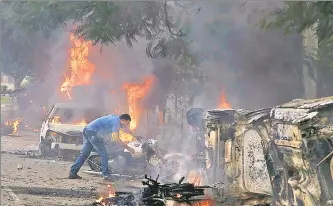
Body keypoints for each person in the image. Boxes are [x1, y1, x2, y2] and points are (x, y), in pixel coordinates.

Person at [68, 113, 135, 180]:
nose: (127, 125)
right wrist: (129, 148)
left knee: (84, 154)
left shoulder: (115, 118)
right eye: (127, 123)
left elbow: (125, 129)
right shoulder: (116, 123)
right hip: (94, 133)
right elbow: (116, 139)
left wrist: (134, 136)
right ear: (123, 120)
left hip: (87, 130)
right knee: (103, 153)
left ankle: (72, 173)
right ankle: (106, 175)